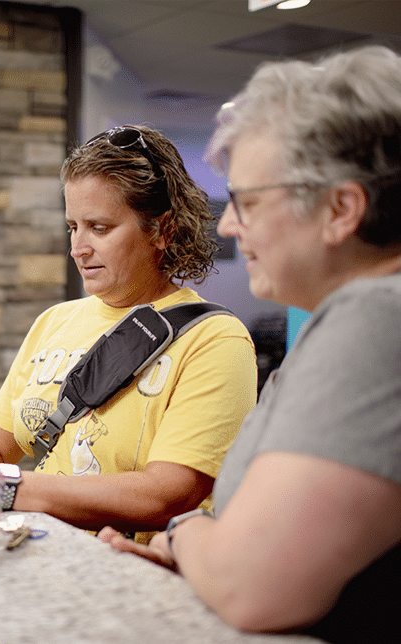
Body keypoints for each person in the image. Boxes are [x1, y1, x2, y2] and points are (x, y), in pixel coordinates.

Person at [100, 46, 401, 642]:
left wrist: (185, 535)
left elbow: (252, 589)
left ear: (341, 208)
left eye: (246, 201)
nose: (230, 225)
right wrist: (211, 558)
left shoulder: (376, 318)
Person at [0, 125, 257, 543]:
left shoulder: (215, 340)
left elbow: (166, 495)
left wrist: (5, 487)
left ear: (161, 230)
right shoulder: (54, 322)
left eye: (99, 228)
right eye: (73, 227)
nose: (78, 248)